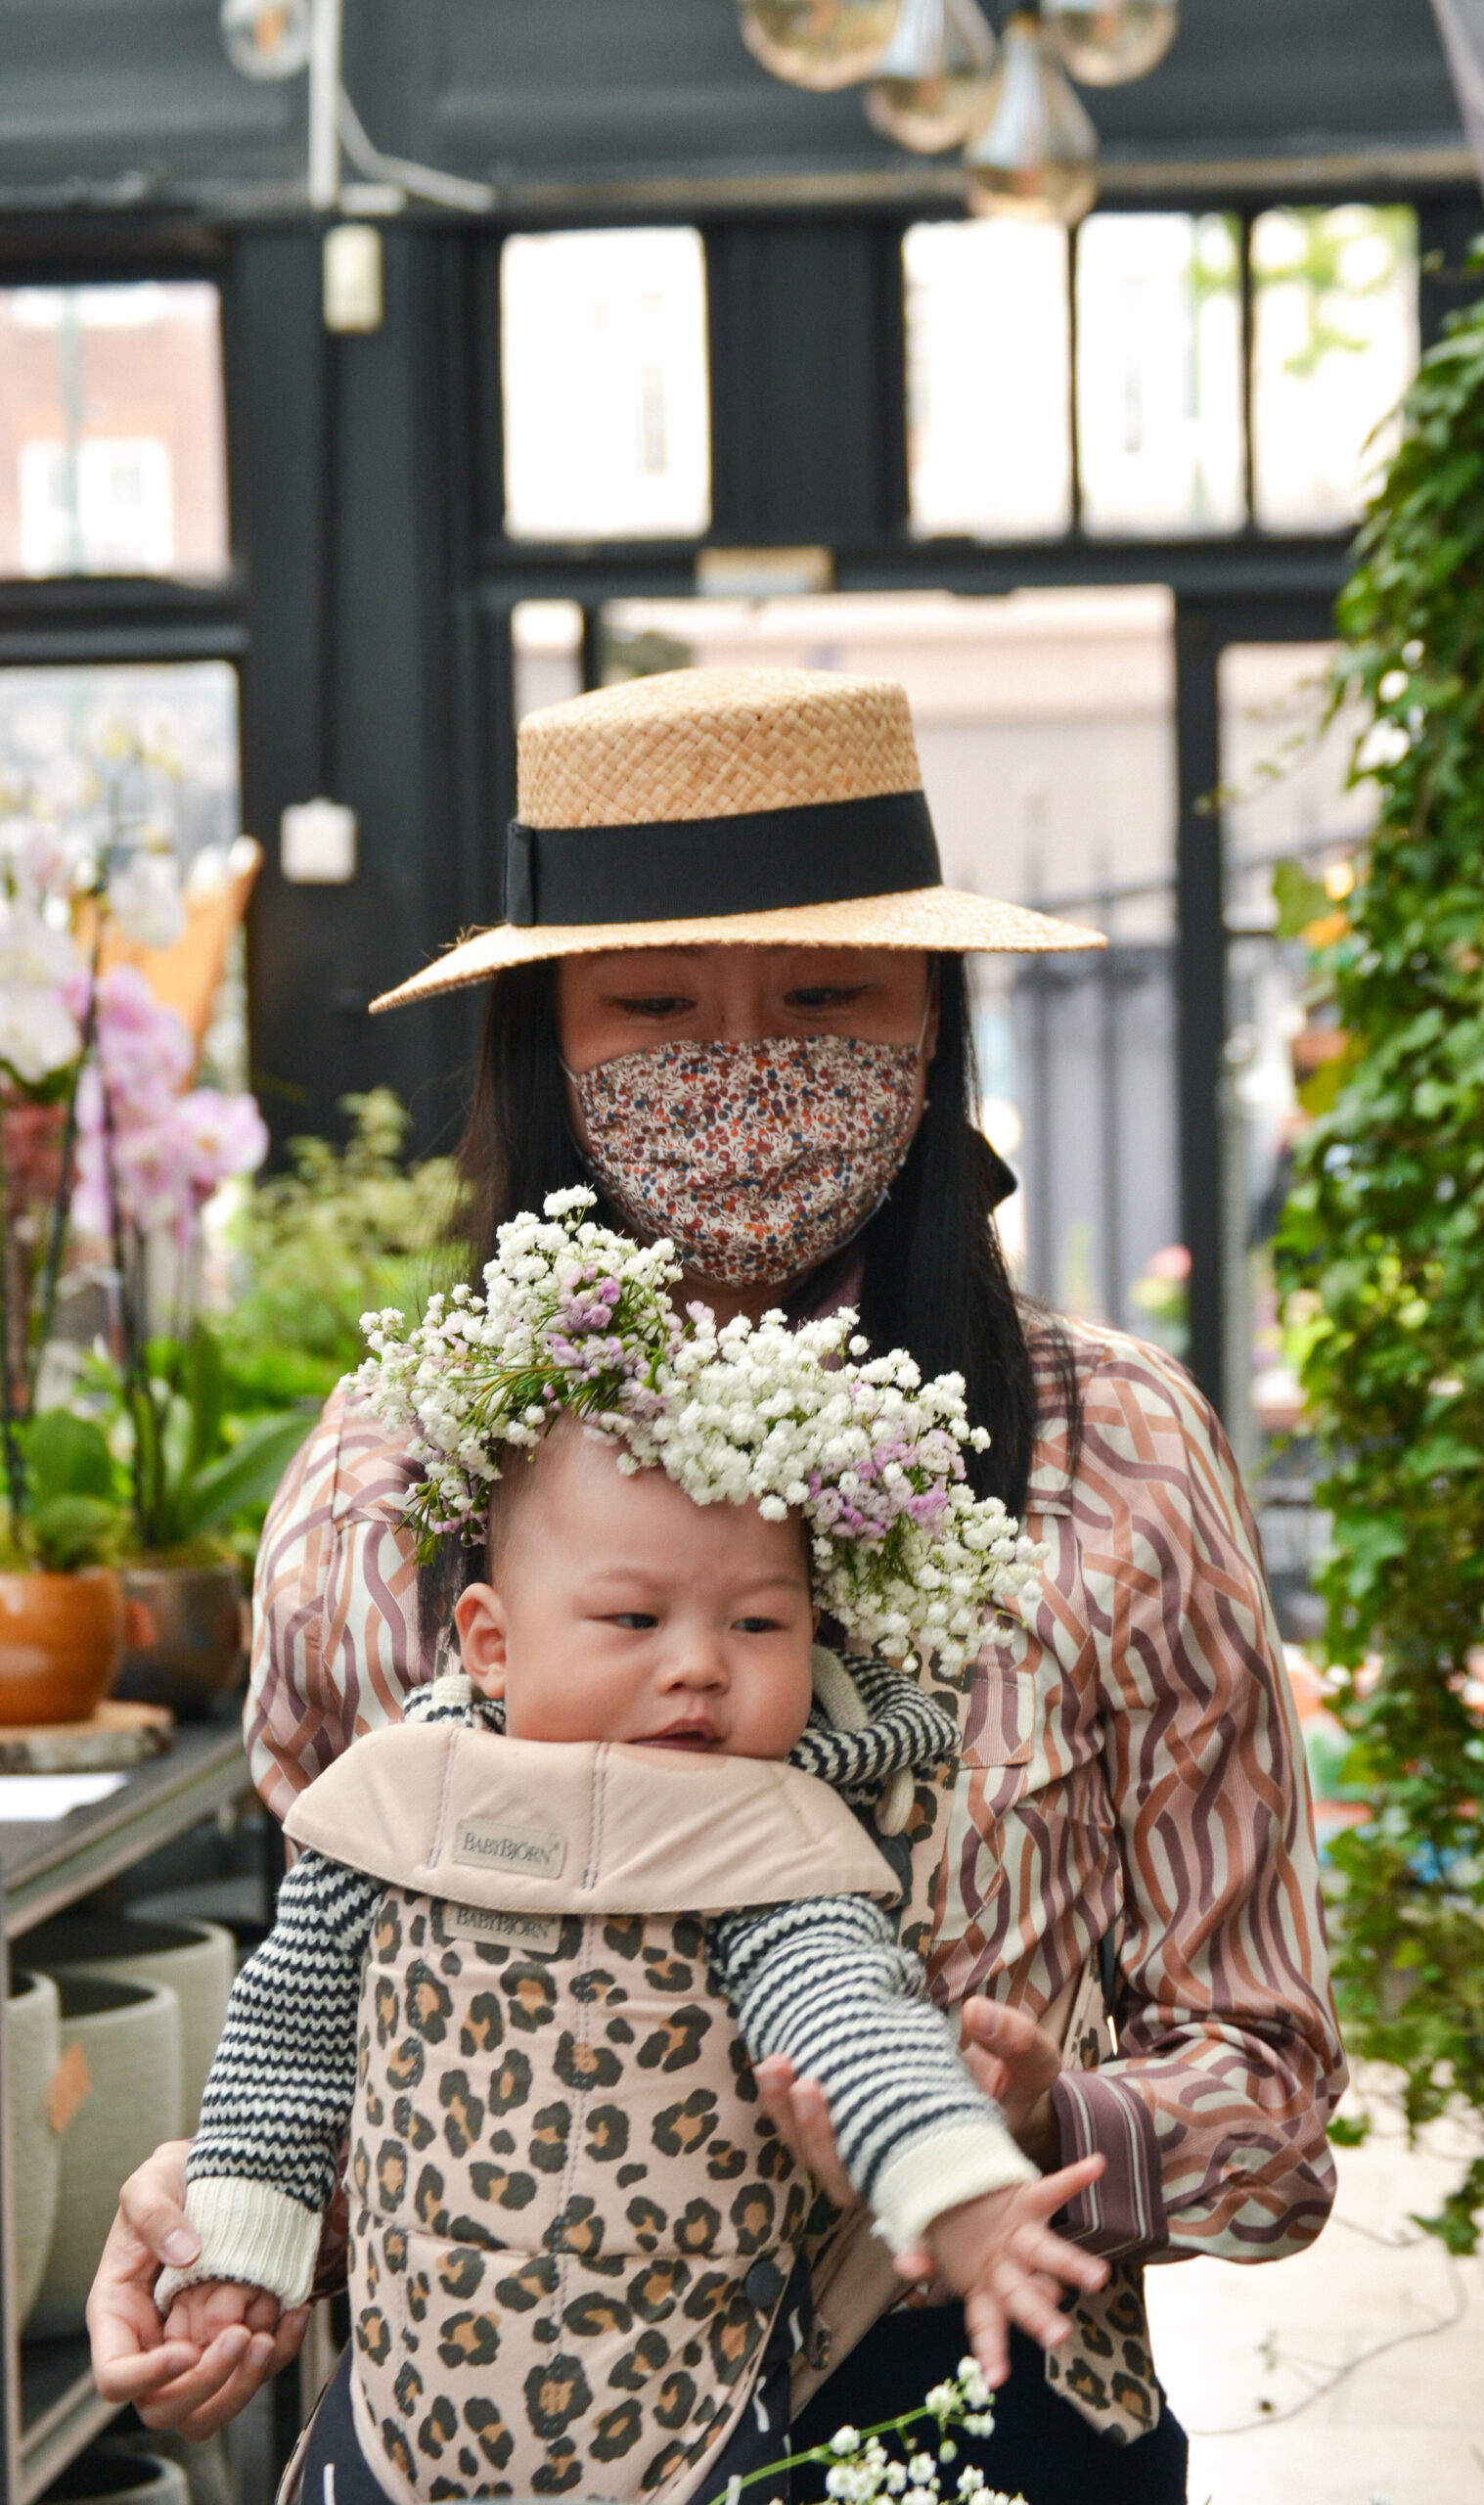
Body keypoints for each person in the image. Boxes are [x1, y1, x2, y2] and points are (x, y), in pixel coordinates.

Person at [89, 665, 1345, 2505]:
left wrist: (1026, 2129)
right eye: (656, 1004)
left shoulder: (1116, 1454)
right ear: (546, 1041)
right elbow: (346, 2013)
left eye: (826, 997)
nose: (744, 1066)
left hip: (973, 2413)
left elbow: (1275, 2107)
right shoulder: (387, 1477)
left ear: (932, 1023)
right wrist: (218, 2214)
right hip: (486, 2434)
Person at [151, 1220, 1108, 2504]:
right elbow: (286, 2035)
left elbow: (849, 2021)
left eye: (757, 1623)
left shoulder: (762, 1840)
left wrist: (954, 2183)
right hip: (397, 2414)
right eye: (634, 1618)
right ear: (490, 1643)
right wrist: (237, 2253)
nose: (699, 1664)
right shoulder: (398, 1803)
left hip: (678, 2423)